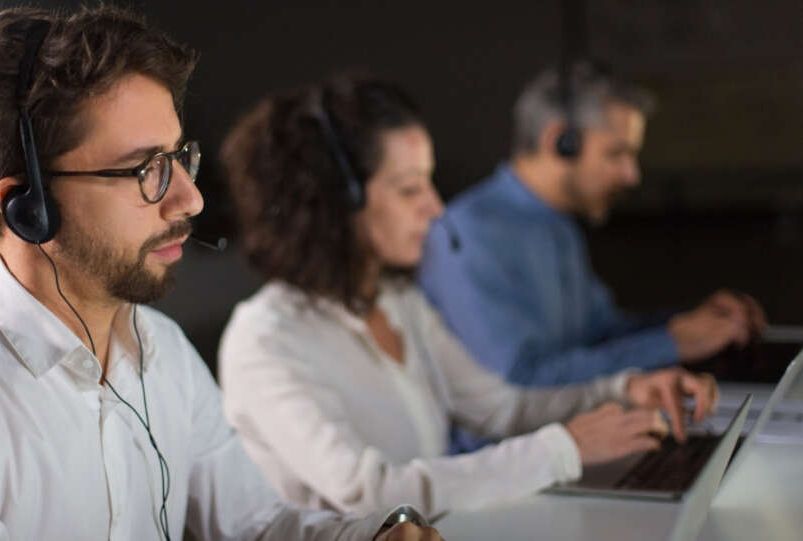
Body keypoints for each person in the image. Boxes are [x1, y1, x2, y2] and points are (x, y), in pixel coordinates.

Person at [0, 7, 442, 541]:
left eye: (179, 157)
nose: (190, 198)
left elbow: (255, 526)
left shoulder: (164, 353)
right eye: (146, 170)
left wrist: (374, 536)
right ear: (28, 206)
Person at [216, 73, 719, 519]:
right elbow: (369, 495)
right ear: (335, 203)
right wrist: (563, 449)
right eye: (410, 189)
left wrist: (623, 390)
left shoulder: (396, 302)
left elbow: (499, 409)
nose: (436, 210)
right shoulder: (265, 340)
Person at [417, 62, 766, 452]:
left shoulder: (558, 224)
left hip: (574, 448)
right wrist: (669, 343)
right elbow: (519, 383)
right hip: (507, 471)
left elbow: (595, 333)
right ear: (559, 142)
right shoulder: (468, 235)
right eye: (616, 154)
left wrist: (686, 323)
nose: (631, 175)